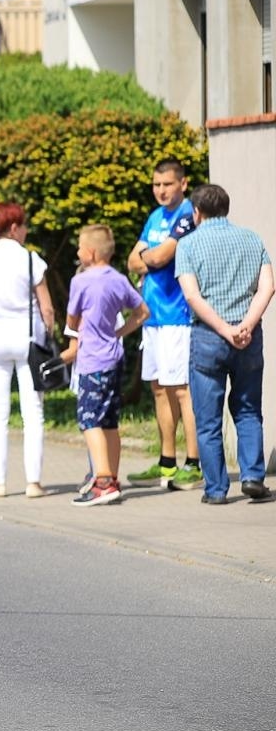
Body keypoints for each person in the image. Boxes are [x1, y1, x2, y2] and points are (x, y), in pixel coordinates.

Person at [175, 183, 275, 505]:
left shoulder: (187, 245)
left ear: (196, 212)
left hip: (208, 336)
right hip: (249, 337)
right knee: (248, 410)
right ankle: (253, 477)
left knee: (208, 419)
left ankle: (216, 490)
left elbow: (192, 296)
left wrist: (224, 329)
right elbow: (268, 287)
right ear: (226, 208)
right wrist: (245, 326)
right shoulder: (252, 239)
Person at [0, 202, 58, 499]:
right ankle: (33, 483)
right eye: (25, 225)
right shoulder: (31, 260)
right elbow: (47, 308)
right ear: (15, 228)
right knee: (33, 412)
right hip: (29, 340)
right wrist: (49, 337)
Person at [124, 158, 201, 490]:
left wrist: (148, 258)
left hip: (177, 317)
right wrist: (149, 258)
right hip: (152, 316)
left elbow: (158, 257)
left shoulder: (187, 215)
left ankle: (193, 464)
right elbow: (132, 260)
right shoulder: (155, 217)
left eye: (167, 184)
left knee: (182, 390)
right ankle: (167, 462)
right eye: (156, 184)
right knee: (158, 388)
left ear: (182, 183)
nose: (161, 190)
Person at [60, 225, 149, 506]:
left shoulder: (81, 282)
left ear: (91, 252)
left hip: (92, 361)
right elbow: (142, 312)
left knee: (90, 421)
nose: (77, 252)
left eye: (80, 247)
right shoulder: (118, 279)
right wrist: (119, 332)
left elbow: (71, 320)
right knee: (110, 421)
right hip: (114, 358)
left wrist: (79, 326)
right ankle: (113, 479)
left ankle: (103, 481)